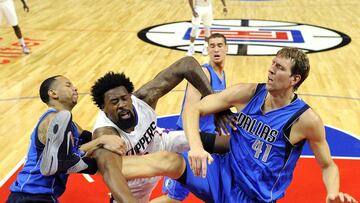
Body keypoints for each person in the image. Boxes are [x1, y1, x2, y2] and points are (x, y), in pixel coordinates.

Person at [114, 47, 357, 203]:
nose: (271, 70)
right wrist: (196, 147)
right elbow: (193, 108)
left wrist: (332, 192)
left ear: (294, 79)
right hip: (220, 173)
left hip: (252, 196)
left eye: (279, 68)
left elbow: (327, 165)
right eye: (272, 63)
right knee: (169, 160)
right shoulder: (249, 92)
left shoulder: (306, 120)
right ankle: (94, 163)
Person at [89, 55, 233, 203]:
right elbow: (111, 173)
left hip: (160, 143)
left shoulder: (144, 99)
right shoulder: (106, 135)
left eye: (124, 98)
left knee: (205, 139)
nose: (122, 104)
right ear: (103, 108)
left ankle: (246, 150)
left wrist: (215, 106)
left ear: (131, 97)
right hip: (136, 176)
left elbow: (186, 64)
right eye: (114, 102)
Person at [6, 75, 133, 203]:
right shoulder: (51, 120)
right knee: (74, 161)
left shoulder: (71, 125)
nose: (75, 88)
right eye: (68, 85)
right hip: (30, 194)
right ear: (53, 93)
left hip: (42, 196)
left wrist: (117, 141)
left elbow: (90, 139)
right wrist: (101, 141)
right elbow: (67, 158)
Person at [152, 33, 228, 203]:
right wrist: (193, 145)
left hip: (207, 141)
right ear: (207, 49)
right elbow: (189, 111)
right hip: (188, 140)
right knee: (173, 198)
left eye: (220, 45)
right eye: (212, 46)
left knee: (215, 192)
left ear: (227, 48)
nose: (216, 49)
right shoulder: (203, 74)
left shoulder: (222, 75)